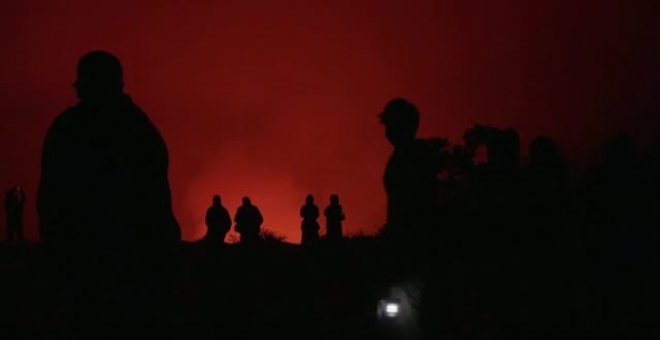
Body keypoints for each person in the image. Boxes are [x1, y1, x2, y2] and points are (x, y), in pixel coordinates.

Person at [36, 51, 180, 250]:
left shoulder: (67, 129)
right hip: (135, 256)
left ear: (81, 88)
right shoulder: (140, 130)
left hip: (78, 255)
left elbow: (50, 198)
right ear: (119, 86)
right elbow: (157, 200)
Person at [380, 98, 437, 242]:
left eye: (390, 124)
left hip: (411, 236)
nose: (387, 131)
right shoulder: (405, 154)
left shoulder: (411, 156)